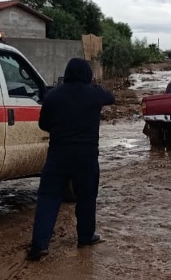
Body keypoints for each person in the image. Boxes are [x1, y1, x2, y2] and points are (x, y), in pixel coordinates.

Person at [27, 57, 115, 261]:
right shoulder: (95, 94)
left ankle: (40, 245)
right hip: (86, 157)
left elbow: (43, 125)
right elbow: (111, 97)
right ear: (87, 75)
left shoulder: (53, 96)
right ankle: (85, 237)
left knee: (48, 198)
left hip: (58, 155)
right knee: (86, 197)